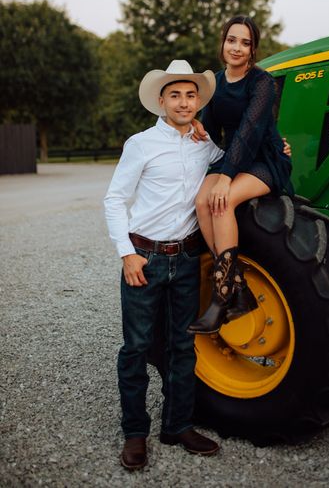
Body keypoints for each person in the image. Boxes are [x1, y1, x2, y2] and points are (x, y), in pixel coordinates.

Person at [104, 60, 224, 471]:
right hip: (145, 258)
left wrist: (279, 150)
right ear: (161, 101)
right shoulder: (140, 144)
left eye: (191, 95)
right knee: (136, 348)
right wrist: (126, 253)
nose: (184, 101)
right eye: (175, 94)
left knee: (181, 347)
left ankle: (178, 426)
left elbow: (233, 164)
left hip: (188, 259)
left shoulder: (205, 145)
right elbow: (114, 200)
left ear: (198, 101)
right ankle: (135, 433)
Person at [187, 15, 294, 335]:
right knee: (201, 200)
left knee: (223, 200)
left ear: (252, 50)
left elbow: (249, 132)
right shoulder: (215, 83)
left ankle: (221, 300)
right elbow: (213, 131)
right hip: (230, 158)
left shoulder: (262, 82)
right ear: (223, 43)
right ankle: (238, 287)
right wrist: (197, 128)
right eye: (232, 40)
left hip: (263, 158)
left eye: (245, 43)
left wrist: (225, 178)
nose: (237, 47)